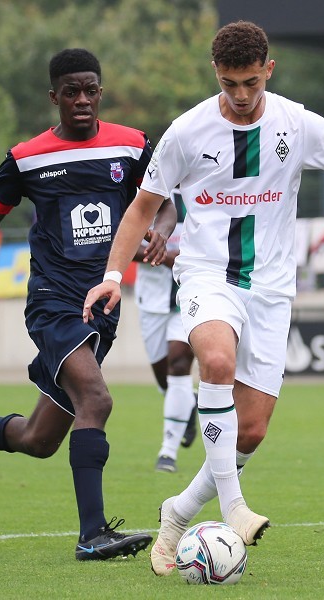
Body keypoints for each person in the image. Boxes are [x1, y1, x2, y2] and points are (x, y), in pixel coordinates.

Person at [83, 21, 324, 576]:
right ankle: (233, 507)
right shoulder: (185, 133)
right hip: (206, 276)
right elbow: (140, 210)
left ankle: (178, 511)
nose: (242, 95)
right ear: (215, 74)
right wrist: (111, 273)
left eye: (250, 82)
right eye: (230, 83)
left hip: (271, 291)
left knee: (251, 431)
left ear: (268, 70)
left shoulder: (298, 124)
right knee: (216, 361)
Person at [0, 49, 176, 561]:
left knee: (39, 439)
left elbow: (166, 201)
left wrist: (160, 234)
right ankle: (92, 534)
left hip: (102, 304)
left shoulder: (132, 146)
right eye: (71, 91)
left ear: (100, 91)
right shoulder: (26, 157)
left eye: (90, 89)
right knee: (97, 401)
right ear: (54, 96)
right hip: (53, 303)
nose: (81, 100)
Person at [133, 191, 198, 473]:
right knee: (165, 380)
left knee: (179, 362)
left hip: (191, 294)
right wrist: (161, 255)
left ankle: (167, 452)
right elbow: (123, 242)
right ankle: (189, 404)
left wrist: (182, 259)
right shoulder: (145, 193)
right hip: (152, 300)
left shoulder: (206, 188)